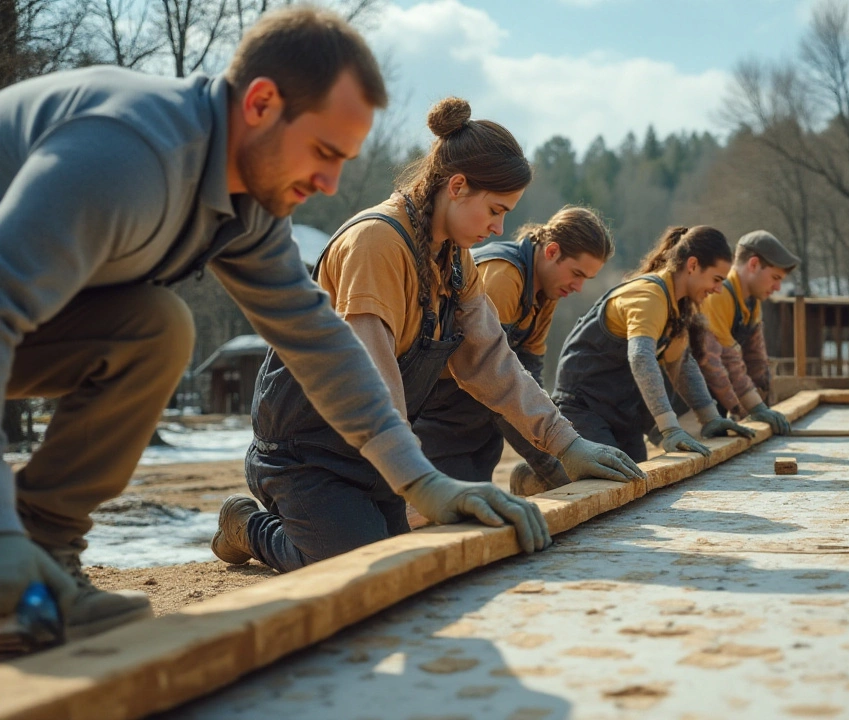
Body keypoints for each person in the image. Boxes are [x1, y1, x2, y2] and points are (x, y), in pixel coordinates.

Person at [0, 7, 548, 647]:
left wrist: (421, 482)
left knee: (154, 333)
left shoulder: (246, 203)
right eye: (322, 151)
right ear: (260, 103)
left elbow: (320, 343)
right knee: (159, 329)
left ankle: (46, 552)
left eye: (343, 160)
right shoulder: (125, 155)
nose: (329, 183)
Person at [211, 100, 643, 573]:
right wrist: (421, 482)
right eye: (495, 210)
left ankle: (318, 520)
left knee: (410, 564)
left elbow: (493, 362)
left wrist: (566, 444)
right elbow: (367, 378)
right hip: (305, 449)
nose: (500, 228)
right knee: (360, 572)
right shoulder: (375, 243)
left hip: (367, 453)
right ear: (457, 187)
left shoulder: (457, 261)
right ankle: (249, 525)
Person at [413, 206, 614, 496]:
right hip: (441, 412)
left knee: (478, 502)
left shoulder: (547, 291)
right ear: (552, 252)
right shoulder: (504, 276)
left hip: (480, 418)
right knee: (447, 515)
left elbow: (529, 375)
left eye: (586, 279)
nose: (579, 287)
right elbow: (492, 377)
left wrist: (555, 446)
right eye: (577, 274)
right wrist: (554, 465)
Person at [546, 226, 756, 466]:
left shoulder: (677, 306)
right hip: (582, 406)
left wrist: (710, 417)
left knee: (635, 480)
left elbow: (683, 365)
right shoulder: (649, 295)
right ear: (693, 265)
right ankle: (545, 473)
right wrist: (669, 429)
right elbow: (641, 357)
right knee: (606, 475)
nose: (718, 289)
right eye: (716, 279)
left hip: (622, 409)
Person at [692, 230, 800, 435]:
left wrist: (764, 405)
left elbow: (756, 359)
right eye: (775, 277)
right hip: (690, 406)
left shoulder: (752, 303)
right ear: (753, 265)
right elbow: (719, 362)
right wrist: (750, 409)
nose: (778, 287)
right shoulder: (719, 294)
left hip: (717, 401)